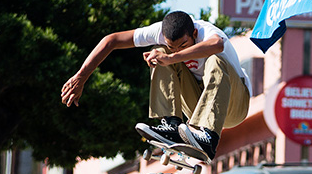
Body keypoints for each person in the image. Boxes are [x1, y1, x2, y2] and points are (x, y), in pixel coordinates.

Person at [61, 11, 252, 162]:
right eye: (173, 46)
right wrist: (81, 76)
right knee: (158, 53)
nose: (179, 50)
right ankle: (171, 124)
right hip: (199, 105)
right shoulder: (158, 31)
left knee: (214, 61)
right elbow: (112, 41)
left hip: (234, 105)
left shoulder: (206, 31)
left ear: (194, 33)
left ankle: (208, 138)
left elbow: (217, 44)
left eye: (184, 45)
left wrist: (171, 57)